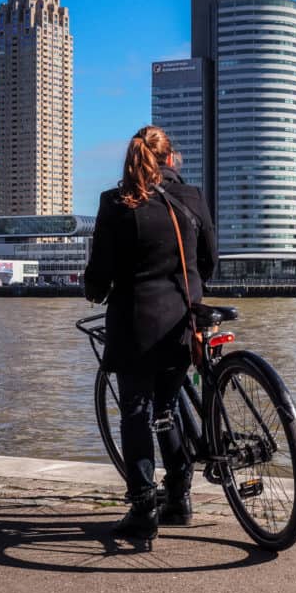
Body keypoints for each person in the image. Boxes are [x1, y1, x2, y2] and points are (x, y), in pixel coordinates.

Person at [84, 125, 217, 540]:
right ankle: (179, 498)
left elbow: (99, 274)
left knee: (138, 410)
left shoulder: (117, 201)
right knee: (167, 406)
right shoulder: (192, 197)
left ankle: (143, 508)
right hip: (184, 322)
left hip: (136, 324)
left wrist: (95, 291)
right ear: (171, 159)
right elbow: (209, 259)